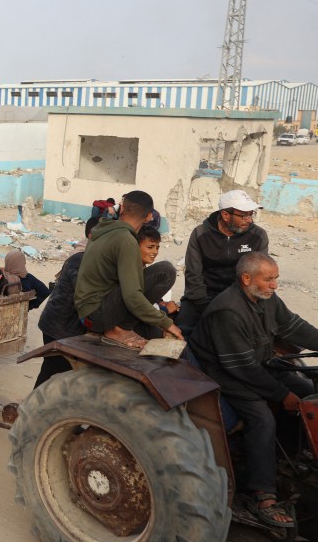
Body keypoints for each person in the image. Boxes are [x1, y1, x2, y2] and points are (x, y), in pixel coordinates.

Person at [190, 253, 318, 529]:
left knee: (307, 390)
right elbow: (242, 368)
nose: (274, 285)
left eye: (276, 278)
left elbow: (295, 326)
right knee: (262, 417)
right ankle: (263, 495)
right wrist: (282, 395)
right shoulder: (228, 310)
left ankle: (293, 456)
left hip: (257, 364)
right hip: (224, 374)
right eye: (268, 279)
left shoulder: (267, 300)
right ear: (246, 279)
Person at [74, 190, 181, 350]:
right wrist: (166, 322)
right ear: (149, 217)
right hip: (96, 316)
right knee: (165, 271)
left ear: (122, 209)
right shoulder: (126, 240)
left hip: (87, 310)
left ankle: (121, 327)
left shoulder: (105, 230)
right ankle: (121, 329)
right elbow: (132, 295)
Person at [177, 190, 269, 333]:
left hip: (241, 297)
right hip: (204, 296)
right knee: (183, 330)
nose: (249, 220)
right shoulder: (200, 234)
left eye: (251, 214)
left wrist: (238, 305)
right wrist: (206, 306)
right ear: (225, 215)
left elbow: (259, 275)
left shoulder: (258, 236)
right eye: (244, 215)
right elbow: (193, 274)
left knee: (264, 330)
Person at [33, 218, 100, 388]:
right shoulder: (80, 258)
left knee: (57, 372)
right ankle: (31, 410)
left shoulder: (92, 256)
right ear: (92, 235)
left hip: (65, 325)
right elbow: (84, 291)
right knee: (53, 371)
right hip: (58, 327)